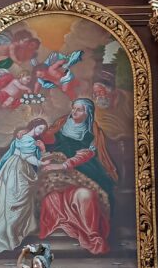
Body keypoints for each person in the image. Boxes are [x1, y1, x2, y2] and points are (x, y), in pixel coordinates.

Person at [38, 98, 118, 255]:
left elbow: (86, 154)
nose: (74, 112)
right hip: (57, 162)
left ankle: (91, 234)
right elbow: (48, 140)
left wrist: (63, 165)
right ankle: (64, 223)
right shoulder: (62, 123)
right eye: (73, 108)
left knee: (96, 192)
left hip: (84, 167)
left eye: (79, 109)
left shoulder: (92, 131)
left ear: (88, 113)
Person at [0, 119, 48, 253]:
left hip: (15, 168)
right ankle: (9, 234)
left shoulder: (26, 138)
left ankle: (17, 231)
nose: (41, 132)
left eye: (43, 130)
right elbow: (28, 158)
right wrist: (41, 163)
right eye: (40, 128)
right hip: (17, 170)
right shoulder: (28, 140)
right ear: (33, 127)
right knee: (16, 200)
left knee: (21, 200)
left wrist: (41, 149)